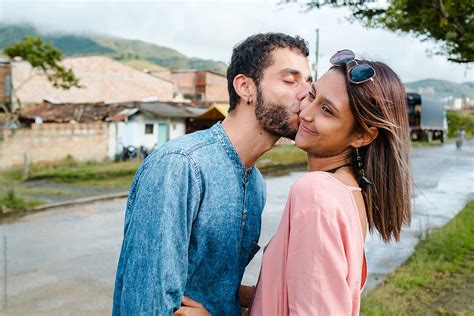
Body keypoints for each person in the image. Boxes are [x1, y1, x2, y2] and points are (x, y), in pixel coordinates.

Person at [112, 33, 312, 315]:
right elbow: (146, 305)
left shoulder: (255, 184)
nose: (306, 93)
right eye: (290, 80)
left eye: (308, 82)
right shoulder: (180, 166)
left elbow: (219, 292)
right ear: (245, 88)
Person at [247, 50, 413, 315]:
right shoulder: (351, 193)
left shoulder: (316, 194)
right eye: (312, 96)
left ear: (362, 136)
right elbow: (293, 297)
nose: (305, 113)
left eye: (327, 110)